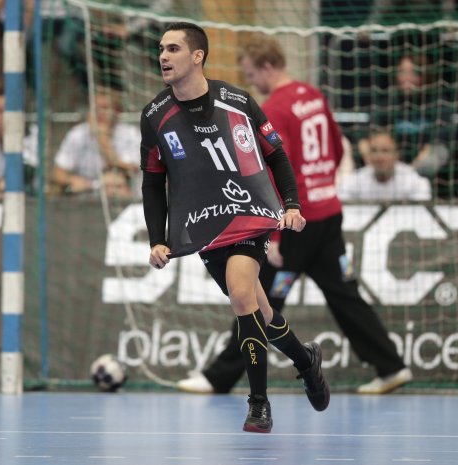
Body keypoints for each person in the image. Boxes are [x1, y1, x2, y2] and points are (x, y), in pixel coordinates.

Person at [177, 34, 412, 396]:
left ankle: (219, 378)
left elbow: (274, 169)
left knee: (253, 298)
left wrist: (275, 233)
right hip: (328, 214)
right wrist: (320, 188)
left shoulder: (276, 108)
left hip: (296, 224)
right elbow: (336, 150)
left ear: (267, 67)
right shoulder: (313, 95)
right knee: (345, 295)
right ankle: (391, 366)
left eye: (252, 74)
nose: (251, 81)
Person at [140, 22, 329, 434]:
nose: (163, 56)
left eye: (173, 48)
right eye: (160, 49)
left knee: (242, 296)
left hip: (247, 213)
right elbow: (153, 181)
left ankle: (258, 404)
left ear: (197, 56)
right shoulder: (155, 116)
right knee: (260, 311)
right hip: (203, 224)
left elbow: (276, 154)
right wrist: (157, 237)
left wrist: (291, 206)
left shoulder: (237, 101)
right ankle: (305, 360)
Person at [358, 53, 451, 178]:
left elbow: (439, 141)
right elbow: (367, 136)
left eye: (411, 73)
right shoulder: (388, 103)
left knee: (437, 153)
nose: (406, 78)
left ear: (423, 75)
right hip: (391, 163)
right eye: (402, 72)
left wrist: (411, 171)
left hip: (421, 164)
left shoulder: (438, 103)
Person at [52, 91, 141, 198]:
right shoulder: (77, 134)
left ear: (118, 112)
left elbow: (128, 171)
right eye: (95, 108)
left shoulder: (131, 135)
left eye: (105, 108)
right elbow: (58, 173)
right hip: (85, 199)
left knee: (115, 187)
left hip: (123, 198)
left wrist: (103, 140)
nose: (100, 113)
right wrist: (83, 183)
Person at [339, 130, 432, 201]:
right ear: (369, 155)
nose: (379, 157)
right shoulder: (355, 180)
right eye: (374, 151)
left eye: (385, 151)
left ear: (396, 154)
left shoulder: (412, 179)